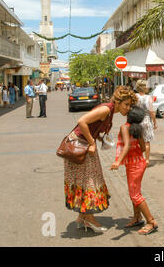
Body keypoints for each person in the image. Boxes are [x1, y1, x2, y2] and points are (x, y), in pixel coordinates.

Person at [64, 86, 136, 234]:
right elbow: (82, 121)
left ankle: (82, 218)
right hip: (80, 146)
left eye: (130, 105)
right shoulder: (106, 109)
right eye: (126, 104)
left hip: (83, 145)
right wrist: (91, 142)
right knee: (90, 181)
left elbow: (91, 126)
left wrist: (98, 138)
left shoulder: (110, 111)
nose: (128, 108)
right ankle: (89, 220)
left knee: (87, 180)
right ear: (118, 101)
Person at [111, 106, 158, 235]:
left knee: (135, 195)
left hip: (134, 165)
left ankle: (151, 221)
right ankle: (137, 217)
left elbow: (126, 145)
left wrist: (117, 161)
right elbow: (143, 148)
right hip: (139, 163)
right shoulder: (138, 128)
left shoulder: (125, 127)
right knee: (134, 191)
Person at [135, 80, 157, 165]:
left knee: (138, 142)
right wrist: (155, 122)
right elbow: (151, 112)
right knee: (147, 142)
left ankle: (139, 159)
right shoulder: (149, 98)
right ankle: (147, 160)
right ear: (144, 87)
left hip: (136, 120)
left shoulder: (134, 97)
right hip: (146, 120)